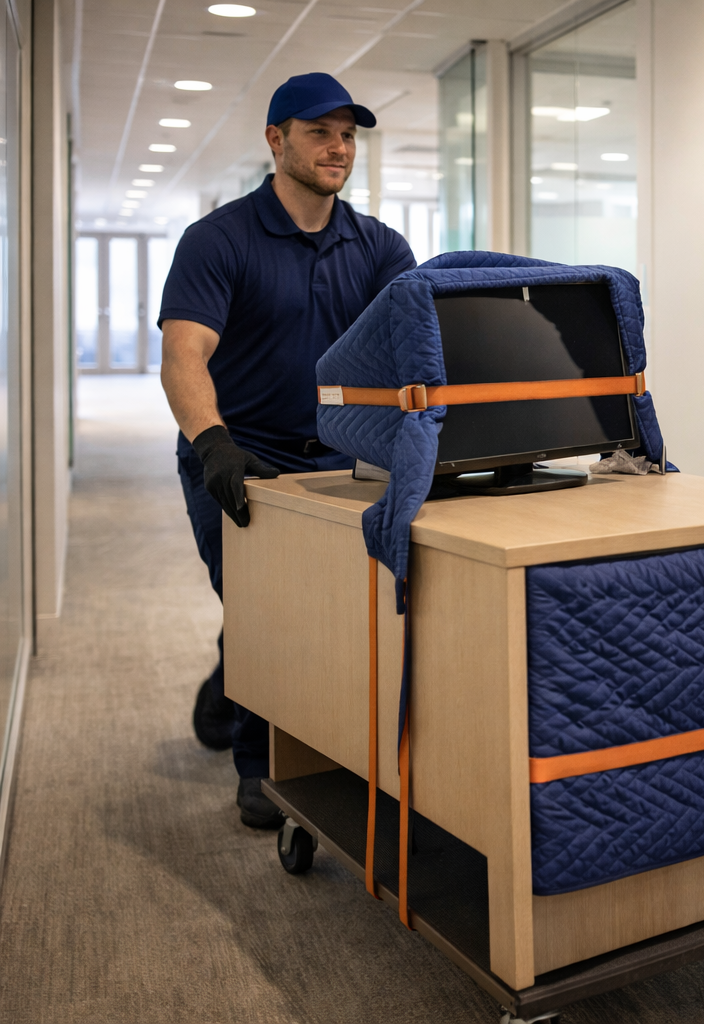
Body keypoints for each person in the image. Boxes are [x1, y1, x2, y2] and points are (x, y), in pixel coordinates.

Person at [159, 73, 416, 828]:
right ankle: (262, 763)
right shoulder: (218, 240)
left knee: (328, 611)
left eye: (348, 135)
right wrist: (212, 443)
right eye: (319, 132)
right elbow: (184, 356)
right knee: (267, 611)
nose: (338, 148)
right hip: (241, 457)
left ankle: (239, 666)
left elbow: (413, 352)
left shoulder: (378, 247)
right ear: (277, 141)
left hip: (338, 460)